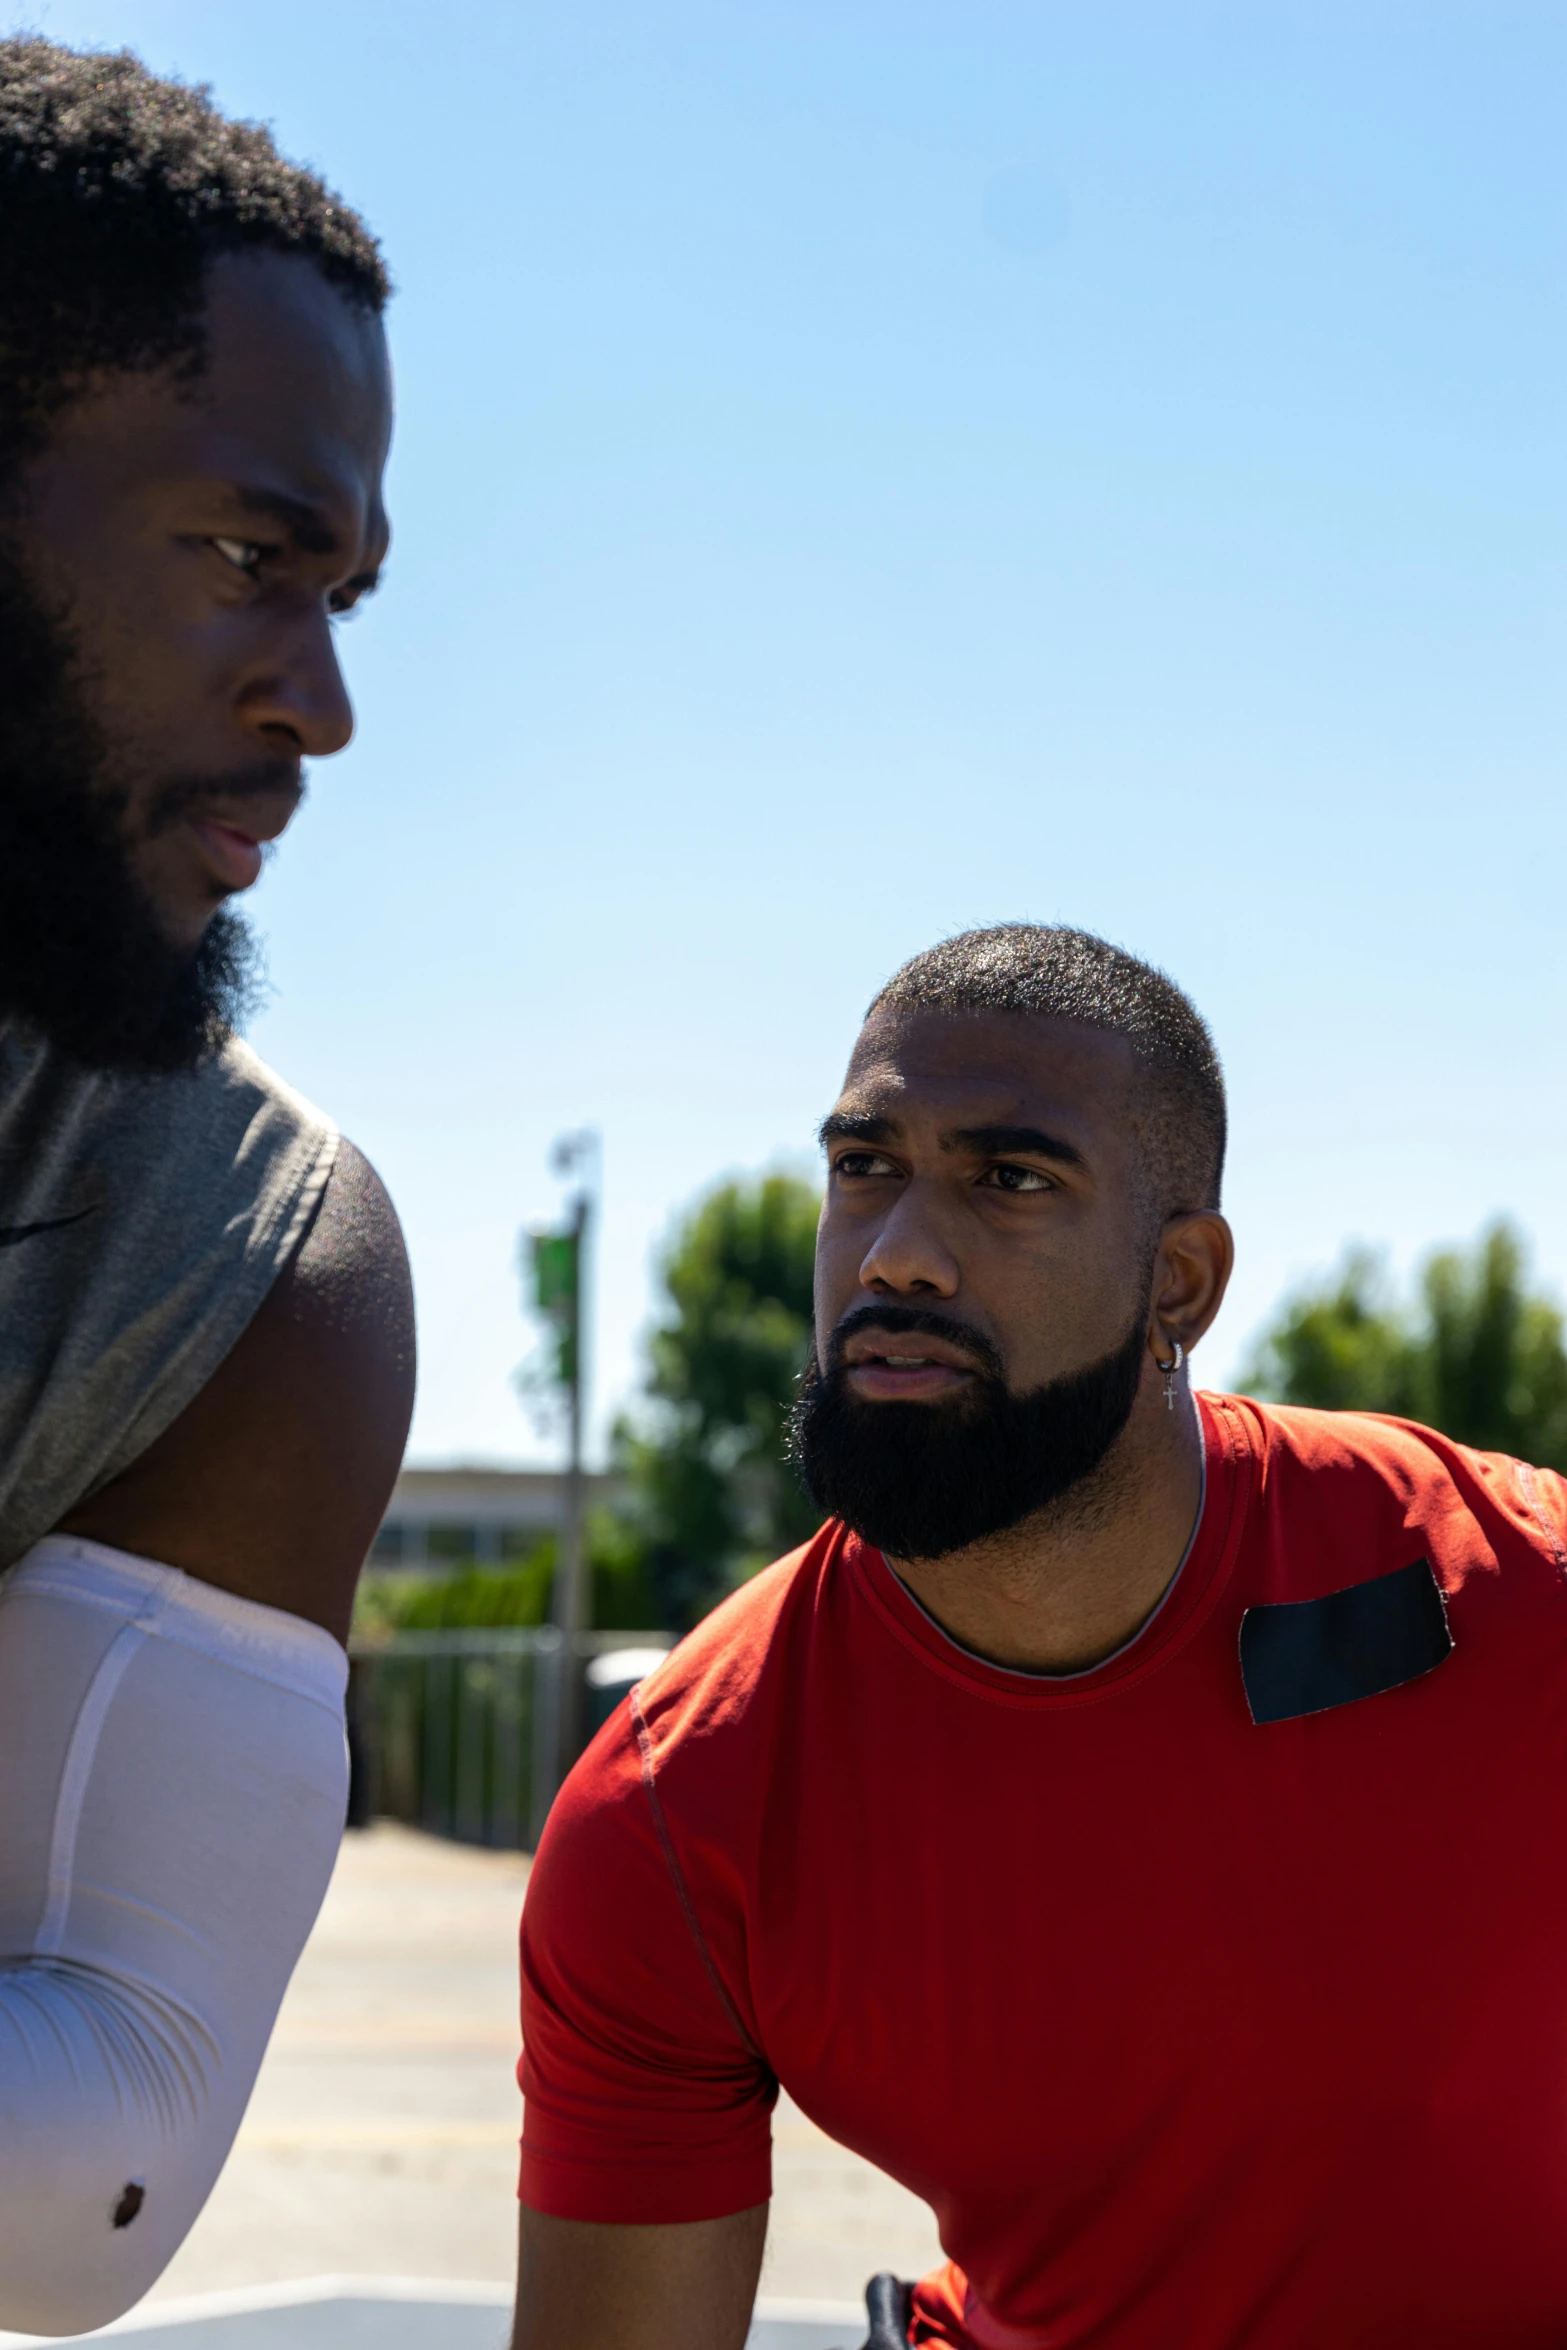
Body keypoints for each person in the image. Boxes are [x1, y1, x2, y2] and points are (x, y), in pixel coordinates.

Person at [515, 923, 1567, 2350]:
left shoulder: (1519, 1598)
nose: (897, 1253)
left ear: (1178, 1285)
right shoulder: (677, 1813)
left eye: (1008, 1179)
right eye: (862, 1166)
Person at [0, 39, 412, 2333]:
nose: (327, 702)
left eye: (348, 586)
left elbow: (99, 2160)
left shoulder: (245, 1245)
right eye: (254, 553)